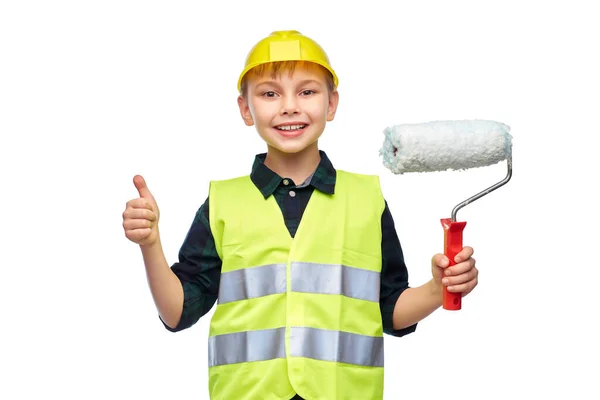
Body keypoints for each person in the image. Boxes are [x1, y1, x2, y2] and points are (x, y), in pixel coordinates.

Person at [122, 30, 479, 400]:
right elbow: (177, 312)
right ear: (246, 109)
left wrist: (438, 289)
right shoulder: (223, 203)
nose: (289, 106)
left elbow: (390, 310)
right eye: (269, 93)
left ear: (331, 104)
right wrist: (150, 245)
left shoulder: (366, 201)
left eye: (307, 92)